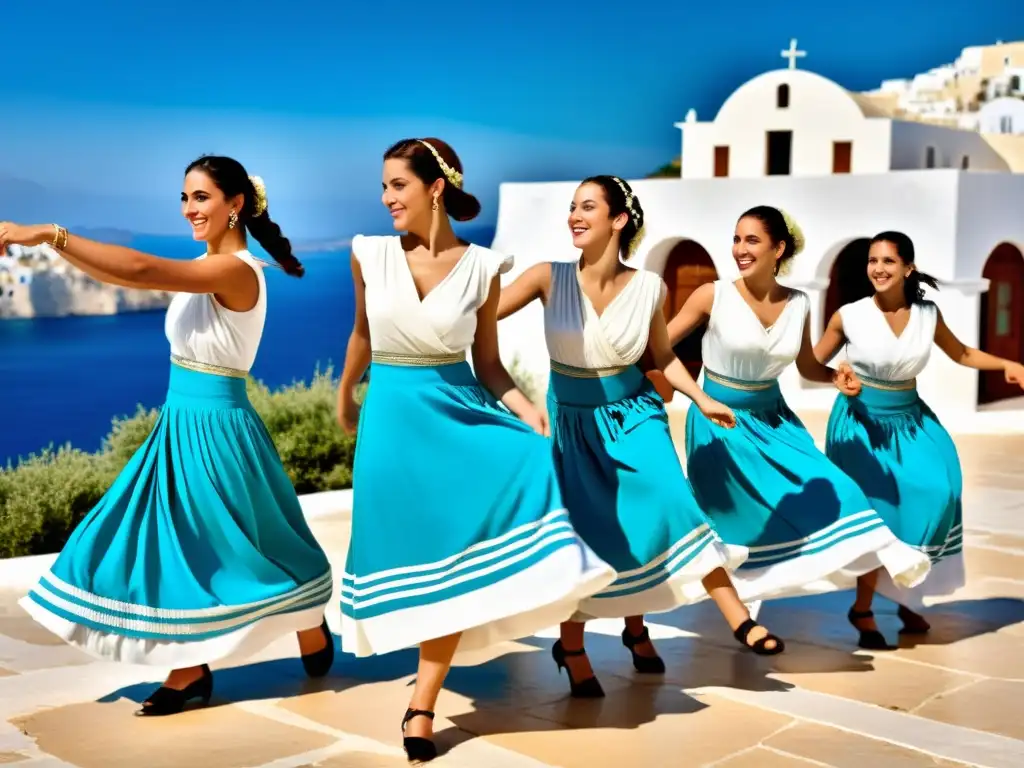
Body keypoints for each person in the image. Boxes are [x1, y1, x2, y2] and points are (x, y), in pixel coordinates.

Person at [2, 155, 334, 716]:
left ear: (235, 205)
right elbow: (120, 273)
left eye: (200, 197)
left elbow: (134, 270)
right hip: (178, 420)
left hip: (217, 428)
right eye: (184, 198)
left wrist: (50, 235)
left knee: (227, 548)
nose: (188, 209)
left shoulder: (237, 272)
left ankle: (266, 638)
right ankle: (218, 657)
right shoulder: (204, 264)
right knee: (188, 542)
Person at [336, 138, 614, 762]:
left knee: (469, 542)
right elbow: (359, 331)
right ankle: (427, 690)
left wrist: (528, 410)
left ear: (434, 188)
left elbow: (487, 365)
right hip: (392, 425)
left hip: (460, 418)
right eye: (382, 186)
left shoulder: (484, 267)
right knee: (415, 555)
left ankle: (423, 703)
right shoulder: (368, 254)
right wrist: (346, 396)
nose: (386, 199)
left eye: (397, 186)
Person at [497, 176, 785, 699]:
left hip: (635, 413)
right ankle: (575, 645)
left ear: (619, 220)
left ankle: (737, 617)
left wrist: (701, 398)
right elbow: (475, 316)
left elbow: (663, 358)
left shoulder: (651, 287)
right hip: (574, 423)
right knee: (593, 531)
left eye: (588, 207)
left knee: (674, 504)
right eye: (571, 207)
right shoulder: (547, 277)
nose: (574, 216)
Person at [669, 206, 932, 609]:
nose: (740, 248)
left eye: (752, 240)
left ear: (779, 248)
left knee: (842, 491)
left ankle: (889, 564)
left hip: (776, 421)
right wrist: (696, 396)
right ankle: (740, 610)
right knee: (741, 521)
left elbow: (807, 366)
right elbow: (657, 347)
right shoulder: (712, 295)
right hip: (718, 421)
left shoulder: (799, 303)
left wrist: (834, 378)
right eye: (737, 238)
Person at [815, 231, 1024, 648]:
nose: (878, 269)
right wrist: (837, 377)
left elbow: (962, 353)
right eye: (873, 261)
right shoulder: (849, 315)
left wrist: (1007, 363)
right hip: (860, 425)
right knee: (878, 512)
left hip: (911, 419)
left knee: (939, 492)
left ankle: (909, 593)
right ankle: (863, 607)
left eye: (889, 261)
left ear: (908, 268)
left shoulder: (927, 314)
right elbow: (812, 363)